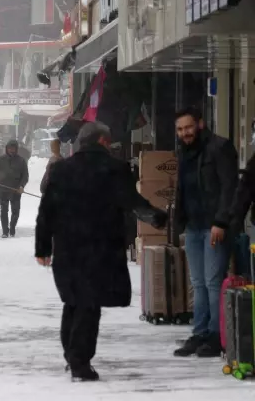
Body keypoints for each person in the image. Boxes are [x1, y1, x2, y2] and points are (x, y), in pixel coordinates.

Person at [35, 122, 167, 381]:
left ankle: (72, 355)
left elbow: (46, 210)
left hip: (68, 247)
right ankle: (79, 362)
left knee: (74, 301)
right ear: (103, 142)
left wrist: (43, 247)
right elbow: (131, 201)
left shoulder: (60, 169)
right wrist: (156, 216)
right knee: (89, 303)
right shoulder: (115, 169)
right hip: (100, 247)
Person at [173, 106, 238, 358]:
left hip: (214, 227)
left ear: (200, 124)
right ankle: (199, 332)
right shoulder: (184, 152)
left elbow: (229, 188)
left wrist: (221, 222)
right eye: (180, 129)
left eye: (188, 127)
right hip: (193, 226)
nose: (185, 133)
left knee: (212, 283)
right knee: (198, 283)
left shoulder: (220, 148)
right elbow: (183, 189)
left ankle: (215, 335)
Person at [0, 140, 29, 238]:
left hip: (16, 190)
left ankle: (12, 228)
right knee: (4, 210)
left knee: (15, 211)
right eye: (9, 148)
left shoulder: (21, 161)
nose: (11, 150)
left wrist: (22, 186)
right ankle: (5, 231)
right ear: (6, 148)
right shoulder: (0, 159)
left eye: (13, 148)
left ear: (16, 149)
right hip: (3, 190)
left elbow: (25, 176)